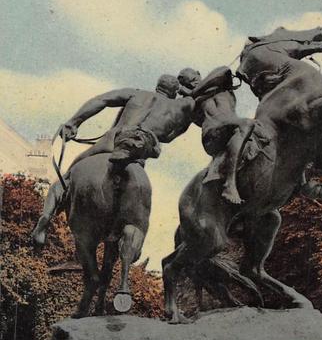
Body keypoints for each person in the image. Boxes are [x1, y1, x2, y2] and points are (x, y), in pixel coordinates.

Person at [32, 74, 197, 247]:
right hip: (137, 153)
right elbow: (169, 137)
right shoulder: (177, 109)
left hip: (111, 142)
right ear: (174, 92)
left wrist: (73, 123)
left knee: (66, 178)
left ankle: (45, 220)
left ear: (157, 86)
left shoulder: (137, 94)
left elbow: (101, 100)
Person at [178, 66, 257, 205]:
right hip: (213, 134)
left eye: (194, 79)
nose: (193, 83)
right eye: (188, 84)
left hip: (231, 125)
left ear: (198, 73)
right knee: (247, 124)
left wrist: (193, 92)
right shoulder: (190, 102)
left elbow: (224, 70)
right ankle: (229, 184)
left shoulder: (220, 83)